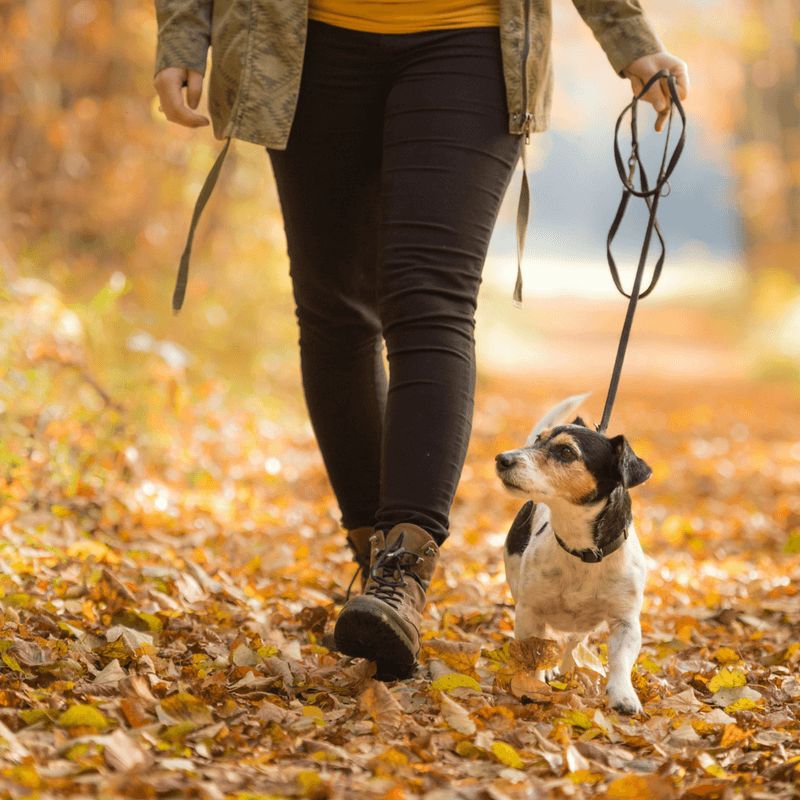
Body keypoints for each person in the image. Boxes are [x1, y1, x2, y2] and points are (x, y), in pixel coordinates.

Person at [153, 0, 689, 680]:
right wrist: (182, 33)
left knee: (428, 296)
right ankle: (374, 556)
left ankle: (403, 570)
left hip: (468, 37)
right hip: (301, 39)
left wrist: (629, 36)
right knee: (334, 308)